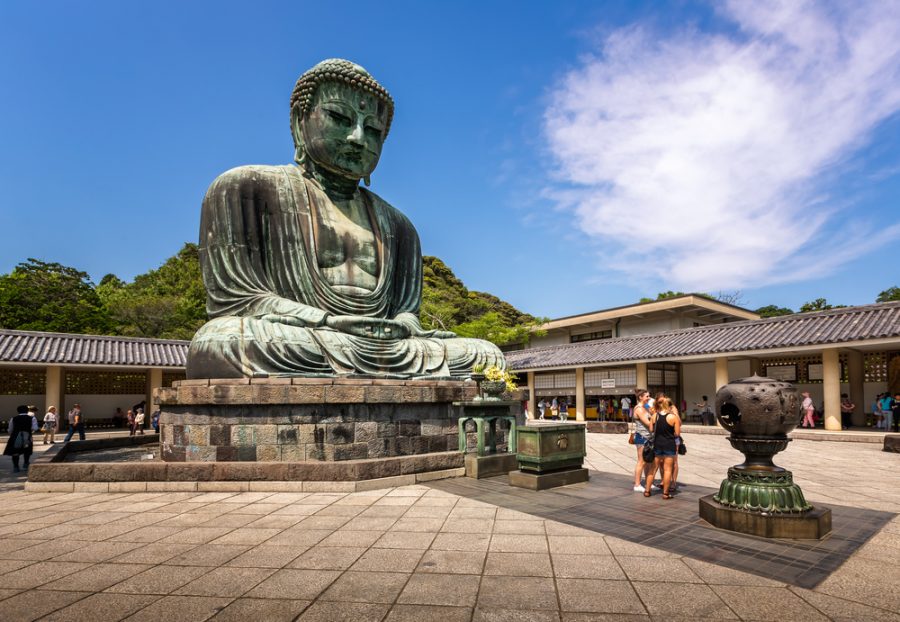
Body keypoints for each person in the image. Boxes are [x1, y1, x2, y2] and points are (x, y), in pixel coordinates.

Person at [185, 58, 504, 379]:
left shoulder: (399, 226)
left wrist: (402, 327)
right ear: (299, 121)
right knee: (221, 341)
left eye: (374, 130)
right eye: (339, 117)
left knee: (485, 357)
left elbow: (406, 312)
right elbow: (237, 301)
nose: (358, 138)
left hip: (386, 346)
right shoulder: (244, 188)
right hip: (300, 336)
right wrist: (325, 321)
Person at [645, 395, 681, 499]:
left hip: (657, 445)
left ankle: (647, 491)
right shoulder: (673, 417)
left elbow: (651, 429)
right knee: (667, 470)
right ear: (670, 406)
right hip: (669, 445)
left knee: (653, 469)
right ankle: (665, 493)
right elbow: (677, 433)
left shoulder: (655, 416)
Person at [631, 389, 654, 492]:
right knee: (641, 461)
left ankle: (649, 482)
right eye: (647, 396)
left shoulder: (646, 406)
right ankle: (637, 484)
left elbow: (654, 413)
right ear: (640, 397)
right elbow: (648, 423)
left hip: (649, 436)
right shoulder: (639, 409)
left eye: (649, 396)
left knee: (649, 461)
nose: (649, 398)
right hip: (641, 437)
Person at [4, 405, 37, 472]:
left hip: (15, 436)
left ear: (18, 411)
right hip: (27, 436)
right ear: (27, 411)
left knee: (15, 452)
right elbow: (35, 428)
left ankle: (16, 467)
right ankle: (25, 464)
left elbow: (10, 429)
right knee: (27, 450)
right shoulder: (32, 418)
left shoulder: (13, 418)